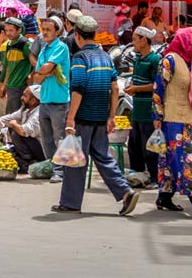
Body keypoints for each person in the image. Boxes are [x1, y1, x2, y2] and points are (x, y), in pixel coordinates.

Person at [55, 16, 139, 216]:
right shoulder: (105, 57)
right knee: (103, 157)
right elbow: (114, 88)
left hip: (83, 116)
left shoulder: (80, 59)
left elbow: (78, 89)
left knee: (75, 161)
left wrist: (70, 118)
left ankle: (71, 203)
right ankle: (125, 192)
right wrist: (111, 116)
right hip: (101, 117)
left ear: (77, 35)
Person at [153, 28, 192, 217]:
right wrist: (157, 117)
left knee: (169, 159)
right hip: (172, 118)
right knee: (186, 160)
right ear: (189, 42)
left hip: (188, 118)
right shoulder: (169, 61)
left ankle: (164, 196)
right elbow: (158, 89)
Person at [33, 15, 71, 183]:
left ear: (58, 31)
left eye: (49, 30)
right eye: (44, 30)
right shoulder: (43, 50)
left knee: (59, 137)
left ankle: (61, 171)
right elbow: (37, 77)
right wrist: (45, 72)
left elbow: (46, 68)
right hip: (45, 100)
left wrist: (45, 71)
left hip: (59, 101)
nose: (45, 33)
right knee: (46, 137)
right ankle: (52, 166)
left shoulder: (60, 47)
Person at [0, 84, 44, 171]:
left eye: (25, 96)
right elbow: (8, 118)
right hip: (31, 145)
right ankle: (25, 158)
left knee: (15, 130)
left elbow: (24, 131)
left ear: (33, 100)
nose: (21, 98)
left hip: (40, 149)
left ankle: (29, 160)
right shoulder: (26, 110)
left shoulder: (38, 114)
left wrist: (14, 124)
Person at [124, 26, 161, 186]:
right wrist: (132, 87)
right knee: (134, 143)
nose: (133, 43)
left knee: (149, 147)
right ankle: (137, 173)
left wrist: (136, 89)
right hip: (137, 109)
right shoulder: (138, 59)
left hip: (148, 110)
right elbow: (136, 79)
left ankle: (154, 177)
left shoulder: (155, 59)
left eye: (135, 39)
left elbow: (156, 85)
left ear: (144, 40)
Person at [0, 17, 34, 115]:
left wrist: (31, 75)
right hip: (11, 86)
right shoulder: (8, 44)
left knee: (15, 117)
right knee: (10, 115)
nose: (8, 33)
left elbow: (36, 62)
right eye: (7, 30)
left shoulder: (25, 44)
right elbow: (7, 67)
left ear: (19, 30)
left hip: (20, 86)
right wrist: (3, 84)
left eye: (11, 30)